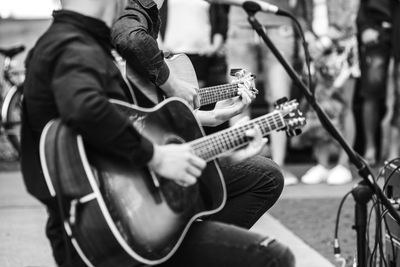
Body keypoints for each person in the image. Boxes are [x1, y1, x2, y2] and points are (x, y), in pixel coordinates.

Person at [21, 1, 295, 267]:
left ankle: (180, 230)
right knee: (273, 257)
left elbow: (127, 122)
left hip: (126, 211)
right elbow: (87, 110)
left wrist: (213, 133)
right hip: (114, 232)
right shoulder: (72, 46)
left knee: (261, 175)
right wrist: (157, 157)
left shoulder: (78, 44)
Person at [220, 0, 299, 185]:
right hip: (241, 24)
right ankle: (242, 166)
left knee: (282, 100)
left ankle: (279, 166)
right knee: (238, 97)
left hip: (279, 23)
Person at [295, 0, 359, 185]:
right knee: (316, 106)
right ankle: (322, 164)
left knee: (344, 105)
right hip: (314, 49)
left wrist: (324, 42)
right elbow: (300, 11)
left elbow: (349, 11)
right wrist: (306, 36)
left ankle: (344, 164)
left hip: (341, 46)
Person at [356, 0, 393, 166]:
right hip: (376, 35)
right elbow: (363, 9)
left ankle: (392, 152)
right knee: (371, 93)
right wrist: (366, 29)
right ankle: (370, 148)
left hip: (394, 31)